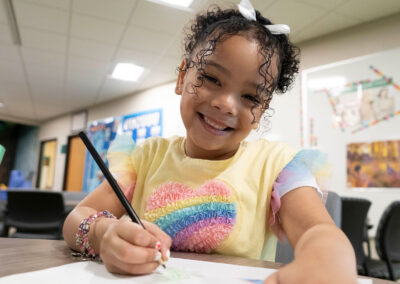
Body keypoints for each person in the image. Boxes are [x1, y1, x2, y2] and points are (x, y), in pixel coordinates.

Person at [63, 1, 358, 283]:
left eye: (251, 97)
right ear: (182, 76)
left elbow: (318, 230)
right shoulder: (145, 158)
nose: (227, 104)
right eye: (212, 78)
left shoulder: (277, 165)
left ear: (261, 112)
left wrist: (328, 260)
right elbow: (77, 217)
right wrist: (104, 234)